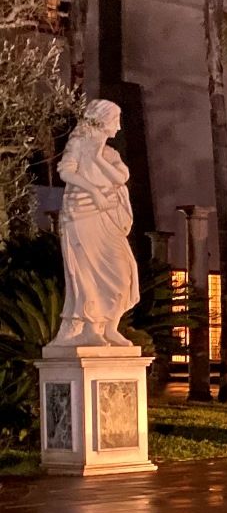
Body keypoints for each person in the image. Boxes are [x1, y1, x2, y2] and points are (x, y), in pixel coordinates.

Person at [51, 99, 141, 348]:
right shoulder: (77, 144)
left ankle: (110, 326)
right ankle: (91, 328)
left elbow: (122, 177)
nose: (119, 127)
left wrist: (98, 157)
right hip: (81, 216)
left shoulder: (110, 153)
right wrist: (93, 190)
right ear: (102, 120)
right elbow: (66, 172)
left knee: (125, 271)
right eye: (115, 120)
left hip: (108, 218)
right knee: (87, 273)